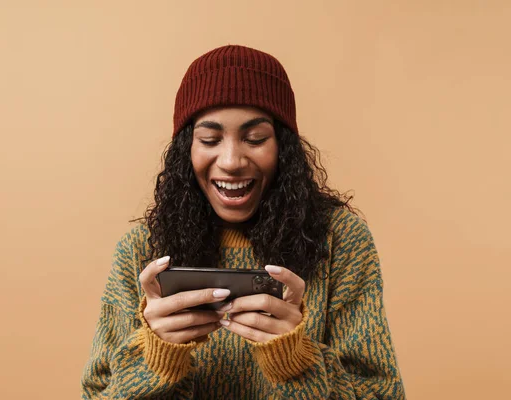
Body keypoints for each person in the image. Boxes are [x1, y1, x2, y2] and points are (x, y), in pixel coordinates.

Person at [80, 44, 405, 399]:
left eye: (255, 138)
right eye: (210, 139)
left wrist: (294, 361)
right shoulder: (142, 249)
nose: (232, 160)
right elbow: (95, 393)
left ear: (283, 147)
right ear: (186, 149)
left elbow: (382, 393)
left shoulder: (340, 240)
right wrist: (156, 359)